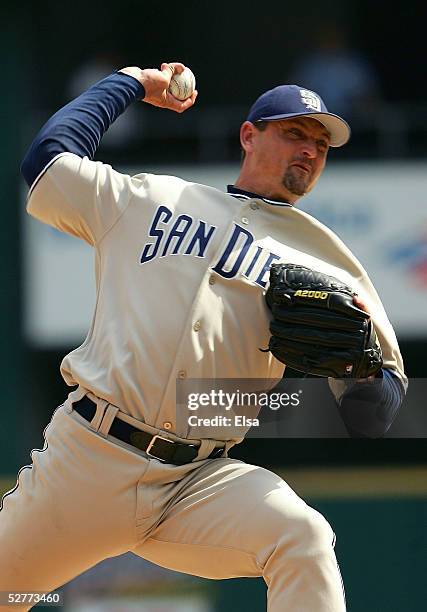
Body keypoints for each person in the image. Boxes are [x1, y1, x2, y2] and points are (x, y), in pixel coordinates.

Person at [0, 61, 406, 611]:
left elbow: (374, 414)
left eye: (320, 142)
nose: (309, 150)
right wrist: (134, 84)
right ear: (249, 136)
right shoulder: (153, 199)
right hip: (89, 463)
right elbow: (45, 161)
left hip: (197, 481)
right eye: (293, 133)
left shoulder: (332, 263)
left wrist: (355, 371)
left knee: (301, 537)